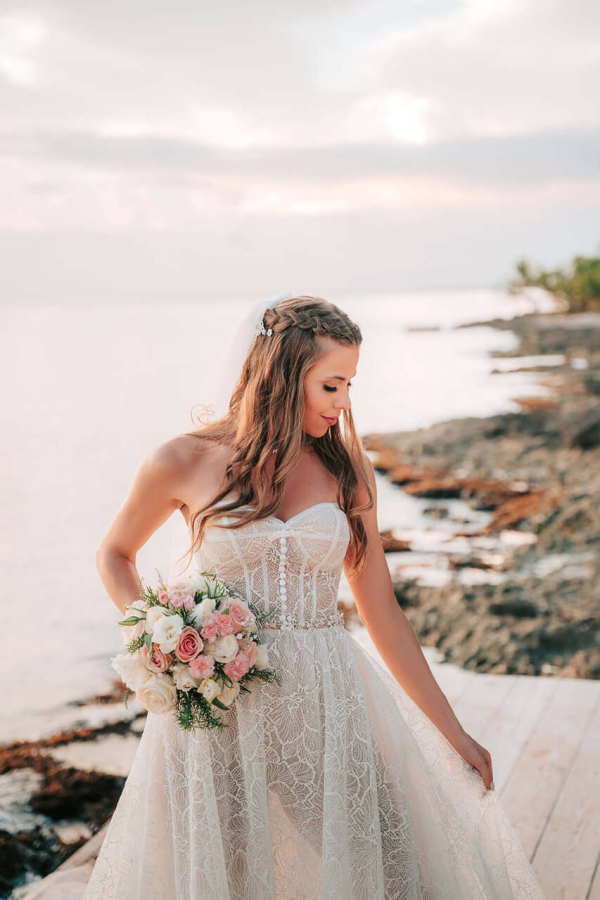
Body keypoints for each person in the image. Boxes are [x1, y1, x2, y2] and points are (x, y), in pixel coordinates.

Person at [35, 295, 547, 899]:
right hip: (216, 709)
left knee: (387, 869)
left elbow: (381, 609)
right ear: (283, 375)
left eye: (350, 384)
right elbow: (114, 556)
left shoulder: (347, 470)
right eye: (332, 385)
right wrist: (161, 637)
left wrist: (454, 734)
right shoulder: (183, 459)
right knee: (223, 881)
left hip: (327, 702)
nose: (345, 402)